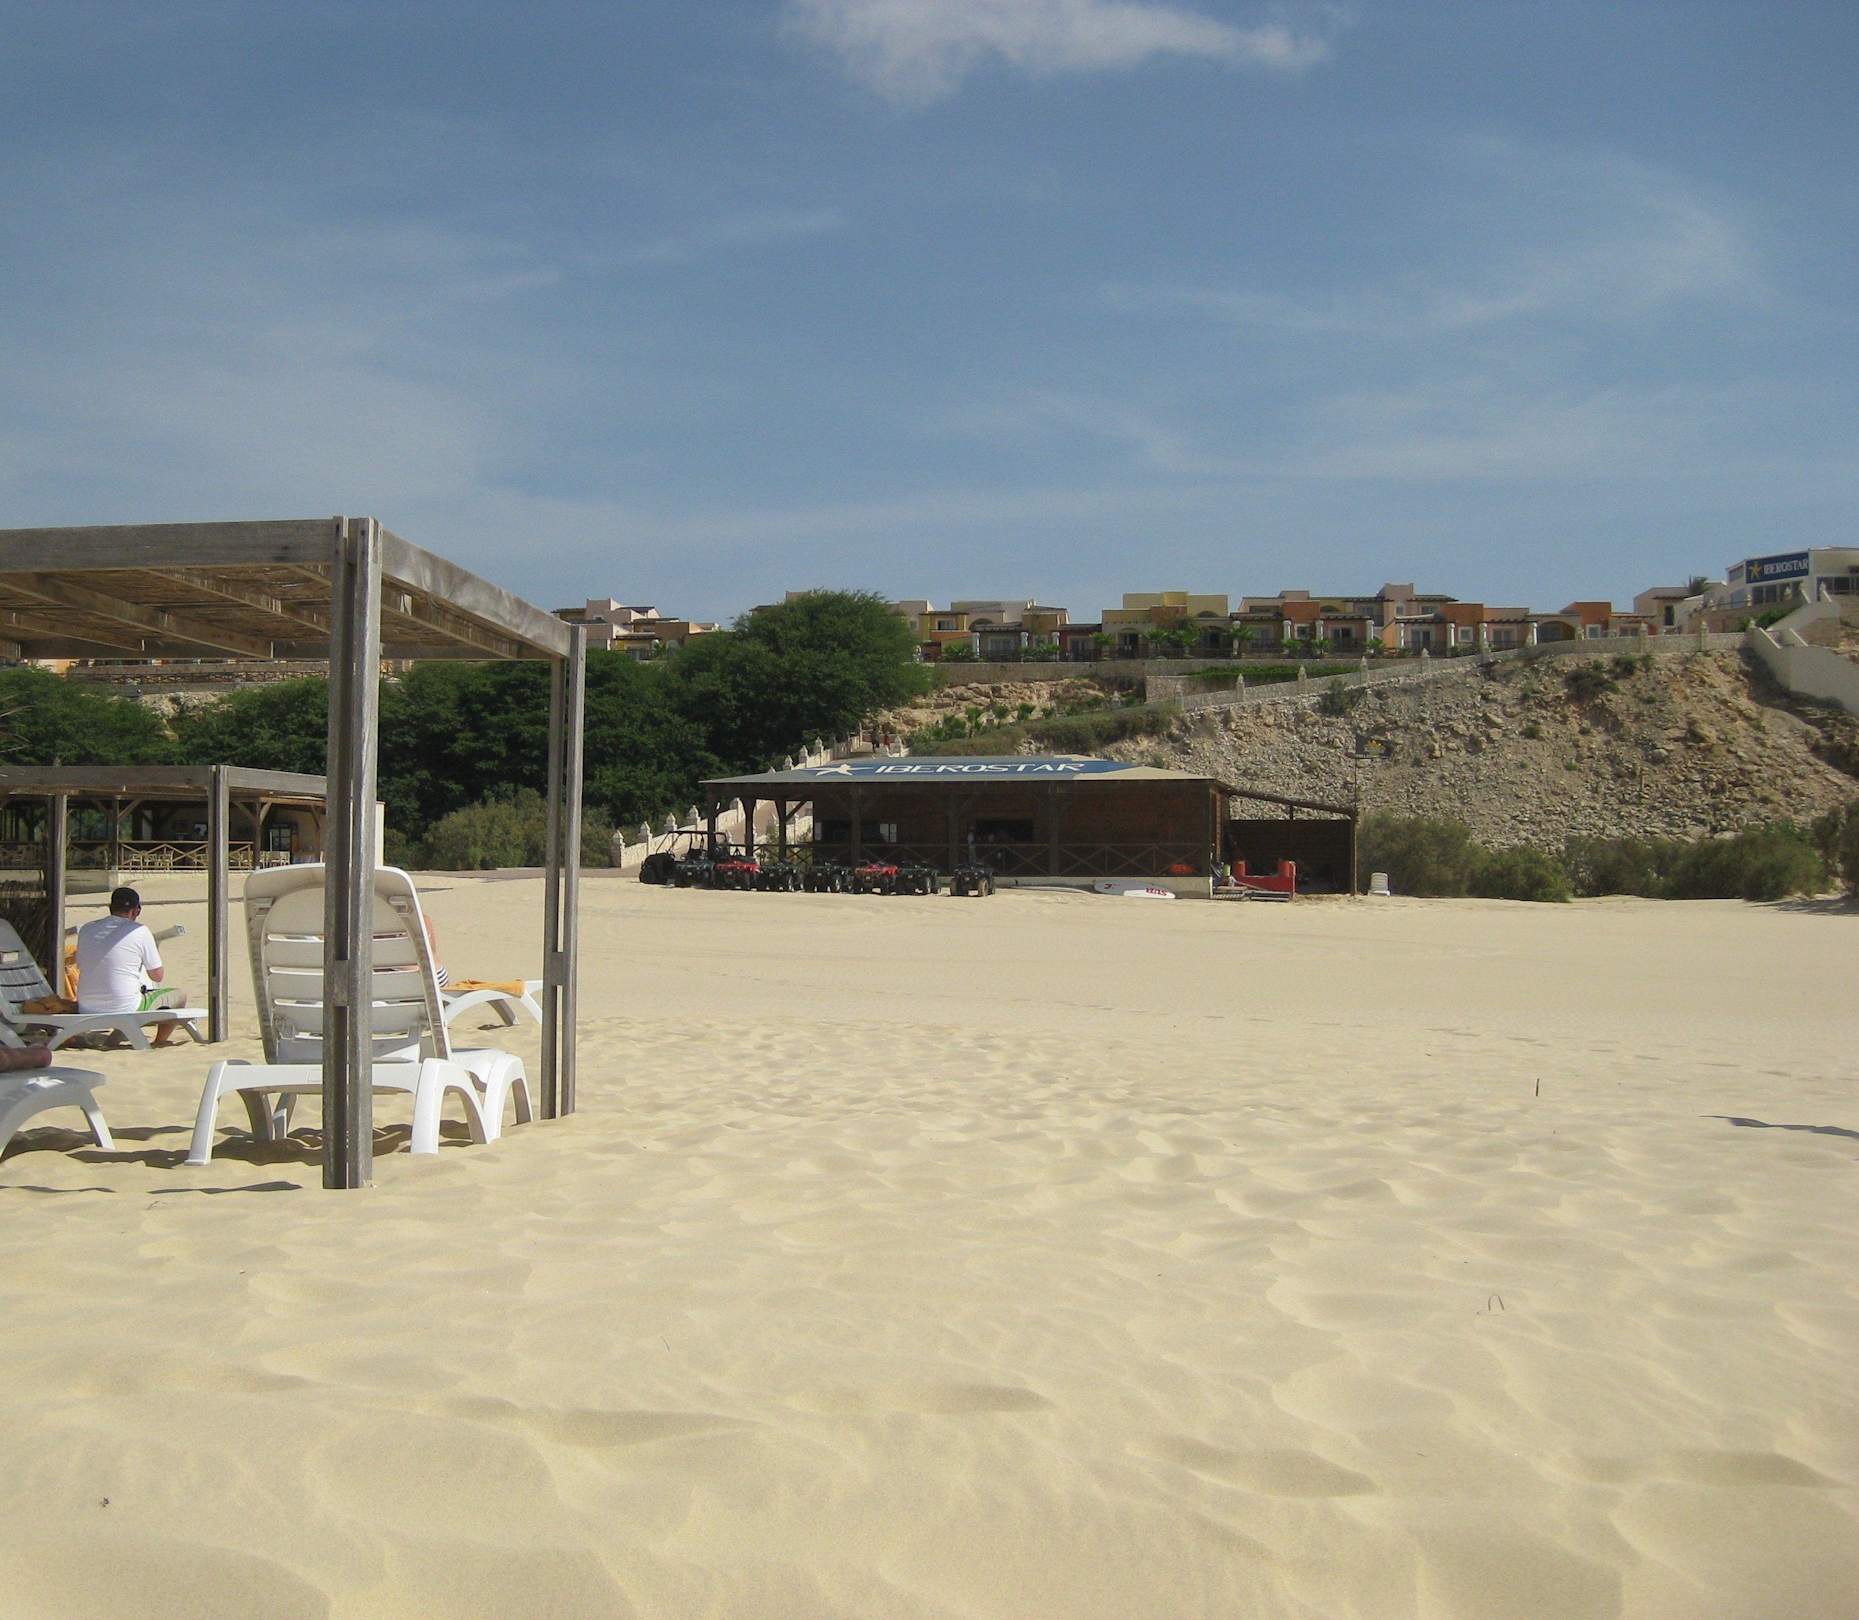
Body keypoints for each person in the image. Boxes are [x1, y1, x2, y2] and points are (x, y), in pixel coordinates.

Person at [74, 886, 189, 1047]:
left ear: (110, 907)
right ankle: (160, 1041)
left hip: (86, 1006)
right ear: (136, 911)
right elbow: (157, 976)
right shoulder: (140, 931)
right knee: (179, 995)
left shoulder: (87, 929)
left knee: (126, 994)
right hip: (125, 1006)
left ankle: (116, 1037)